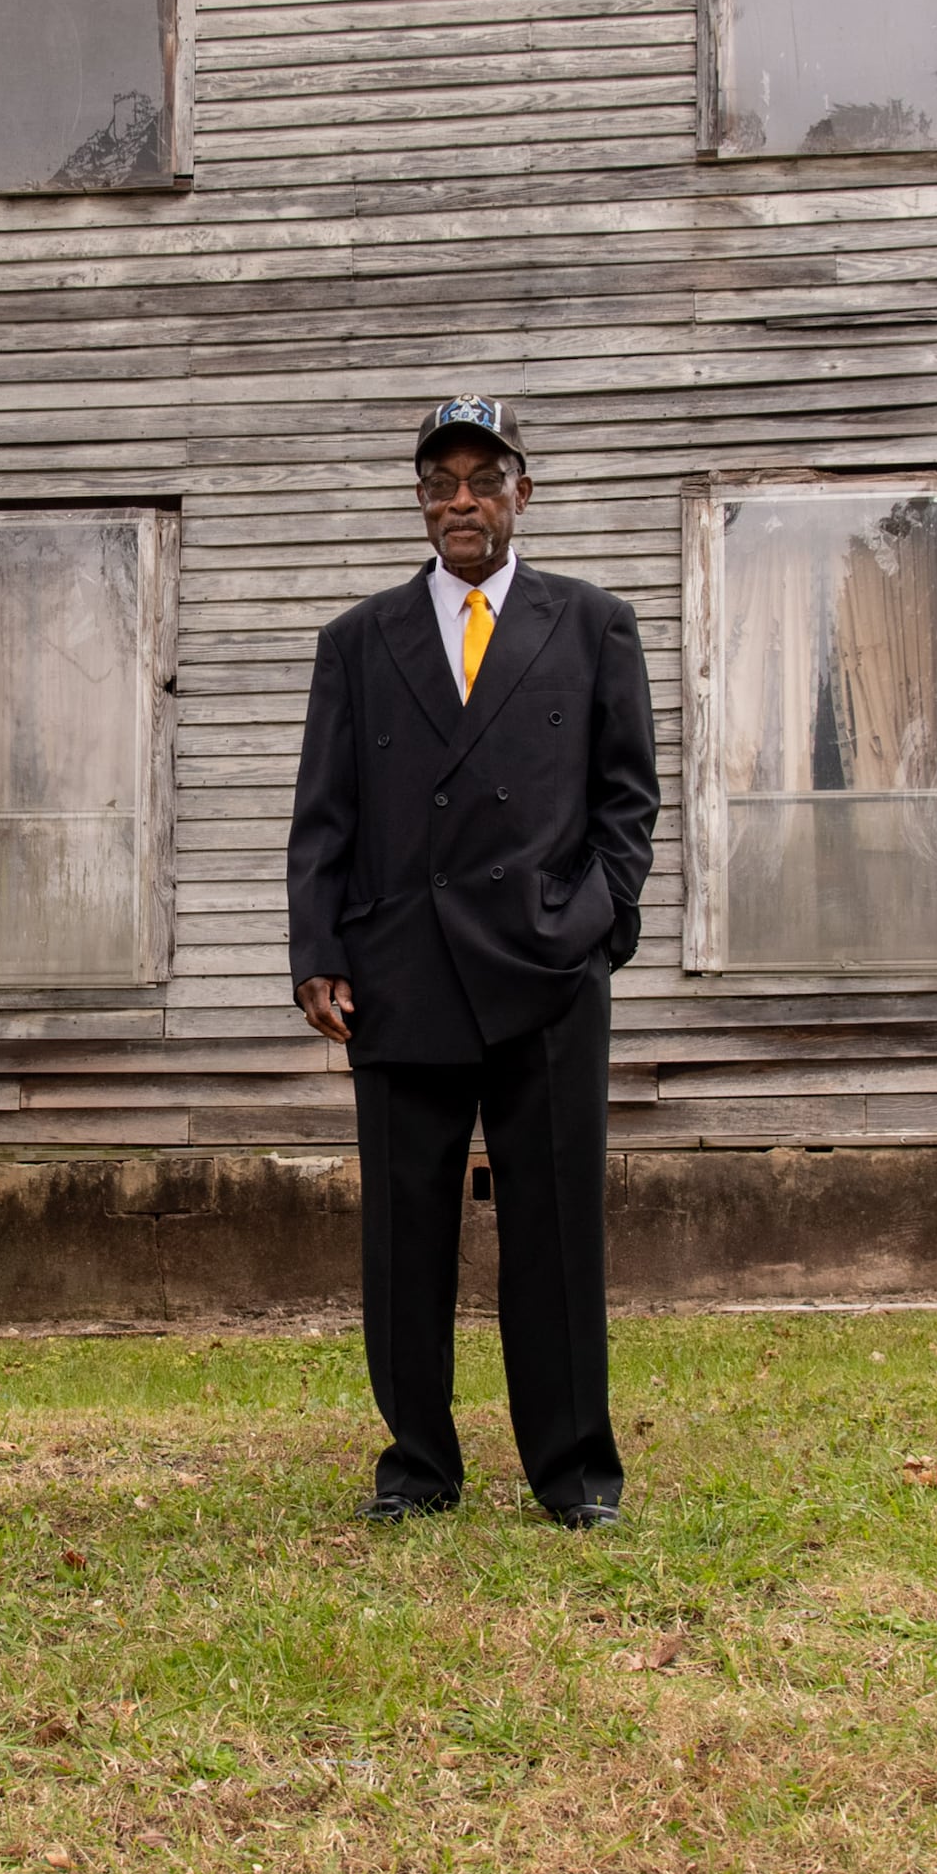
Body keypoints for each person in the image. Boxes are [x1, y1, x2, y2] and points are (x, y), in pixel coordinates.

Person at [285, 397, 659, 1528]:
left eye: (482, 479)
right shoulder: (358, 641)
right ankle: (418, 1467)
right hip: (399, 970)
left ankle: (575, 1473)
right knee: (404, 1237)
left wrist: (600, 923)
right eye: (440, 481)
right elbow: (324, 816)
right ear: (420, 500)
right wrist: (319, 953)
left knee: (555, 1231)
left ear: (521, 494)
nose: (461, 500)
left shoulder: (593, 624)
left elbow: (628, 799)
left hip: (548, 972)